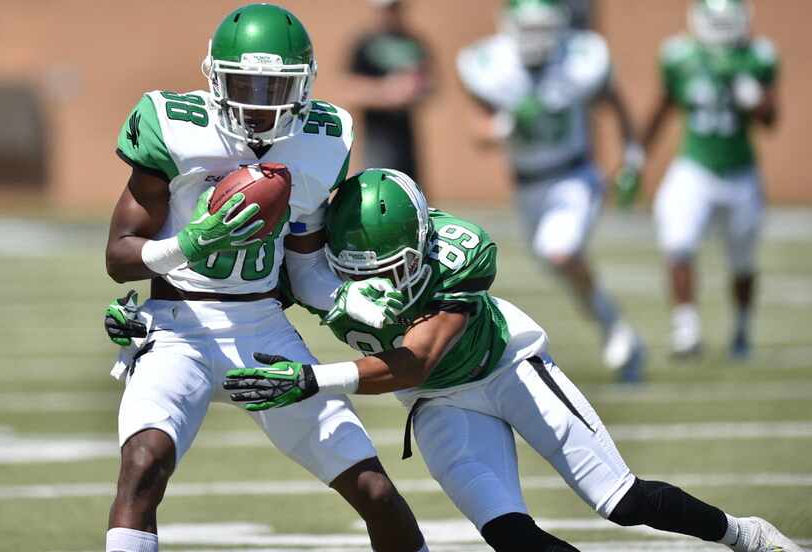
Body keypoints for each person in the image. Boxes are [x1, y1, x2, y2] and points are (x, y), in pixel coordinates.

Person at [223, 168, 803, 552]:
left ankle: (744, 535)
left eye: (395, 266)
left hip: (506, 366)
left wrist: (310, 379)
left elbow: (415, 360)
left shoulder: (459, 252)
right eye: (364, 274)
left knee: (621, 501)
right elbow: (234, 302)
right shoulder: (312, 272)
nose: (384, 283)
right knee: (512, 538)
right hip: (440, 403)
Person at [102, 4, 427, 552]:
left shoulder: (323, 140)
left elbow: (302, 270)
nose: (258, 102)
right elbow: (119, 256)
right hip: (177, 324)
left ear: (304, 87)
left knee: (373, 489)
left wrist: (348, 299)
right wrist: (191, 243)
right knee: (144, 463)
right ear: (213, 77)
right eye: (244, 83)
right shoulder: (174, 126)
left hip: (261, 326)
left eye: (276, 87)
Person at [456, 0, 645, 381]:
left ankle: (616, 331)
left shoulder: (579, 58)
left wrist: (632, 154)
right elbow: (478, 130)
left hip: (574, 175)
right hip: (528, 187)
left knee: (559, 251)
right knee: (556, 260)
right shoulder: (492, 65)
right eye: (527, 30)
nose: (534, 39)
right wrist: (505, 126)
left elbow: (612, 100)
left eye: (542, 29)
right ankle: (615, 326)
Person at [642, 0, 779, 359]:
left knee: (743, 260)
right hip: (695, 165)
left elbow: (770, 119)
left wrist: (756, 99)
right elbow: (664, 104)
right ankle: (686, 331)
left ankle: (742, 329)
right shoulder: (680, 56)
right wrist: (637, 154)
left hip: (741, 170)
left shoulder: (758, 56)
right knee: (678, 240)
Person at [346, 0, 433, 182]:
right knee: (380, 186)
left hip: (407, 136)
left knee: (413, 190)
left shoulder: (414, 43)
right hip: (377, 137)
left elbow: (431, 83)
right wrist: (387, 92)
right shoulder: (365, 45)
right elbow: (351, 88)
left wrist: (417, 90)